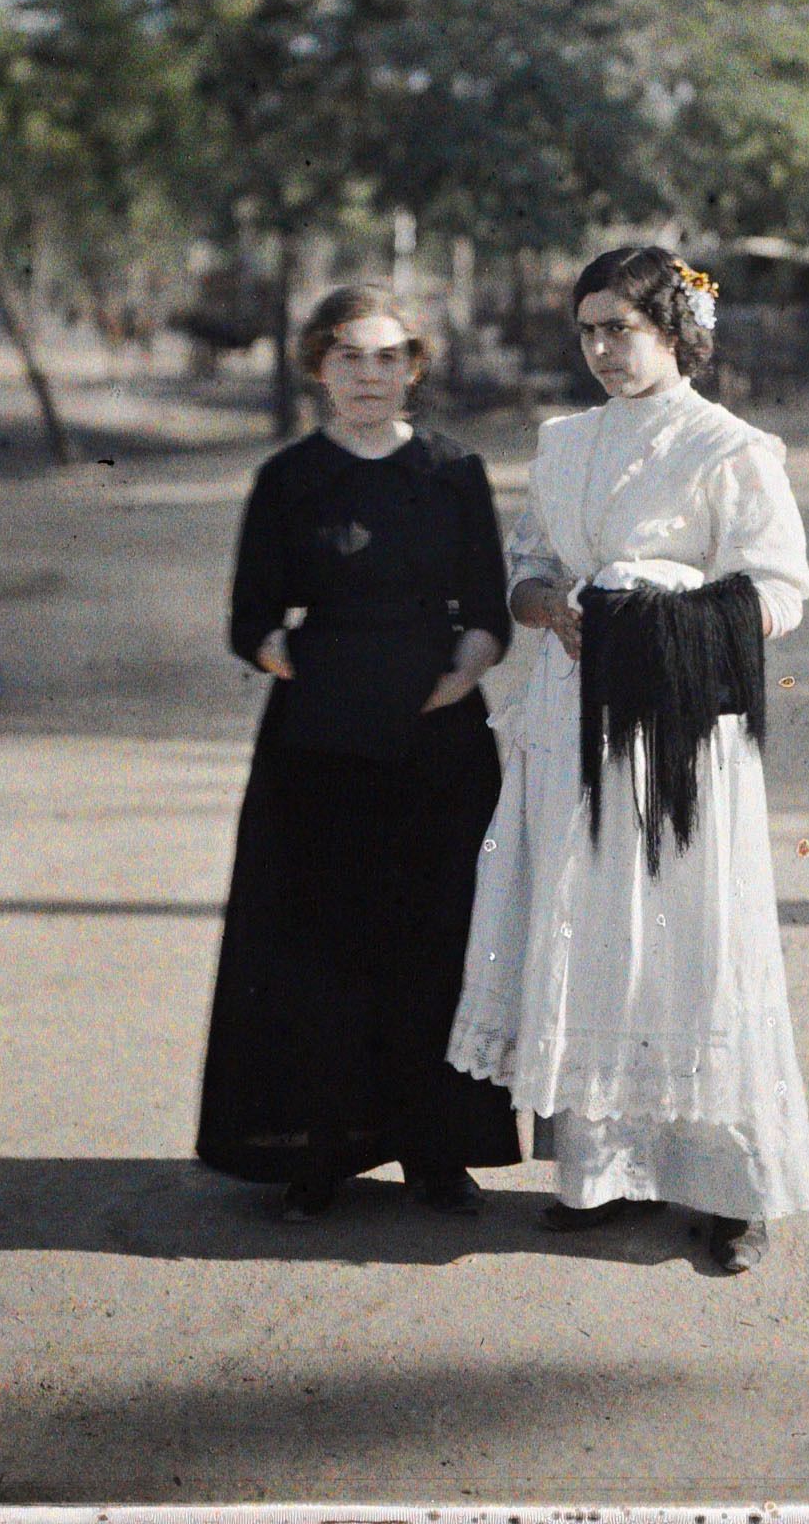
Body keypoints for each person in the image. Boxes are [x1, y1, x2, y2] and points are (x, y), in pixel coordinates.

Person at [447, 245, 809, 1273]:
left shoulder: (729, 446)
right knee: (596, 931)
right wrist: (549, 605)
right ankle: (602, 1173)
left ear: (675, 331)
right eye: (589, 328)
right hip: (572, 714)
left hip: (679, 723)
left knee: (694, 942)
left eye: (624, 327)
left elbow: (779, 588)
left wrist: (661, 612)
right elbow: (526, 563)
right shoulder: (562, 440)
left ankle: (727, 1190)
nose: (603, 349)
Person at [197, 284, 520, 1218]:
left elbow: (487, 612)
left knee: (434, 936)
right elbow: (251, 620)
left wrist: (454, 677)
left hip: (439, 745)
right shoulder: (288, 479)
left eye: (387, 357)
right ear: (317, 367)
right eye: (348, 357)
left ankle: (437, 1151)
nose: (368, 376)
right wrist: (314, 672)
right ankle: (316, 1150)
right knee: (318, 943)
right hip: (319, 749)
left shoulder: (454, 473)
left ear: (415, 366)